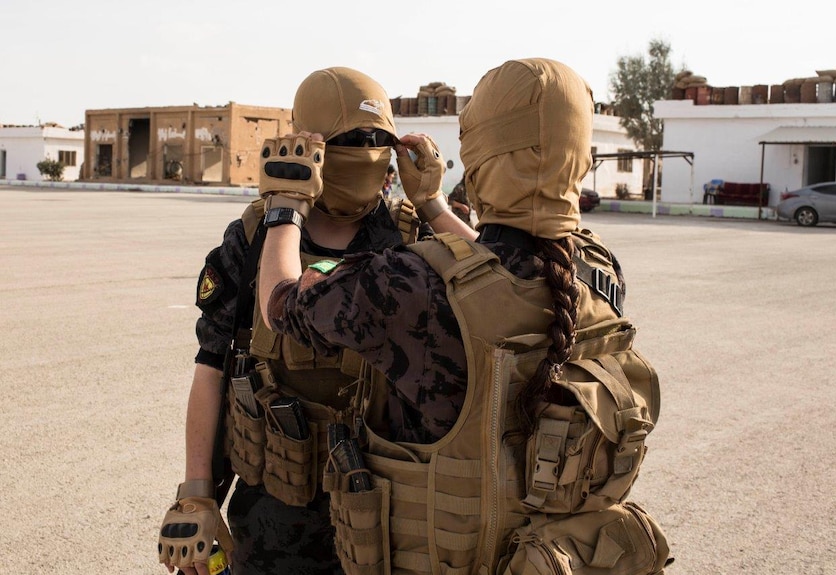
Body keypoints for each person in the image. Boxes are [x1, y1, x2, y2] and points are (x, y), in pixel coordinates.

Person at [256, 58, 670, 574]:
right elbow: (496, 273)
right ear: (578, 158)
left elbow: (279, 306)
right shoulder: (595, 269)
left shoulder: (411, 285)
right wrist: (430, 203)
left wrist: (285, 207)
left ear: (480, 160)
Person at [158, 66, 474, 575]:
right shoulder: (256, 238)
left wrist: (434, 203)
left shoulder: (413, 236)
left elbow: (498, 290)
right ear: (310, 144)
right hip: (275, 526)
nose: (369, 152)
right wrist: (197, 493)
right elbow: (211, 367)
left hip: (396, 522)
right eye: (353, 139)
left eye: (380, 140)